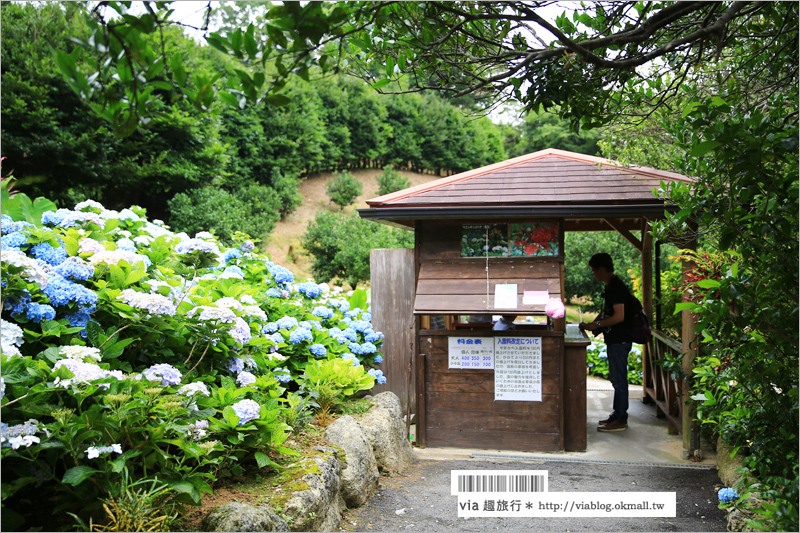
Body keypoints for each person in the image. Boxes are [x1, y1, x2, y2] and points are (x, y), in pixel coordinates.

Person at [579, 253, 634, 432]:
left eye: (594, 270)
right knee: (616, 380)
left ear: (602, 269)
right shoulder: (612, 285)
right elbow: (606, 311)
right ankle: (617, 415)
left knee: (619, 381)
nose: (593, 274)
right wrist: (594, 324)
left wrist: (598, 324)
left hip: (620, 340)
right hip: (616, 339)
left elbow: (619, 316)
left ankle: (621, 418)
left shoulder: (616, 287)